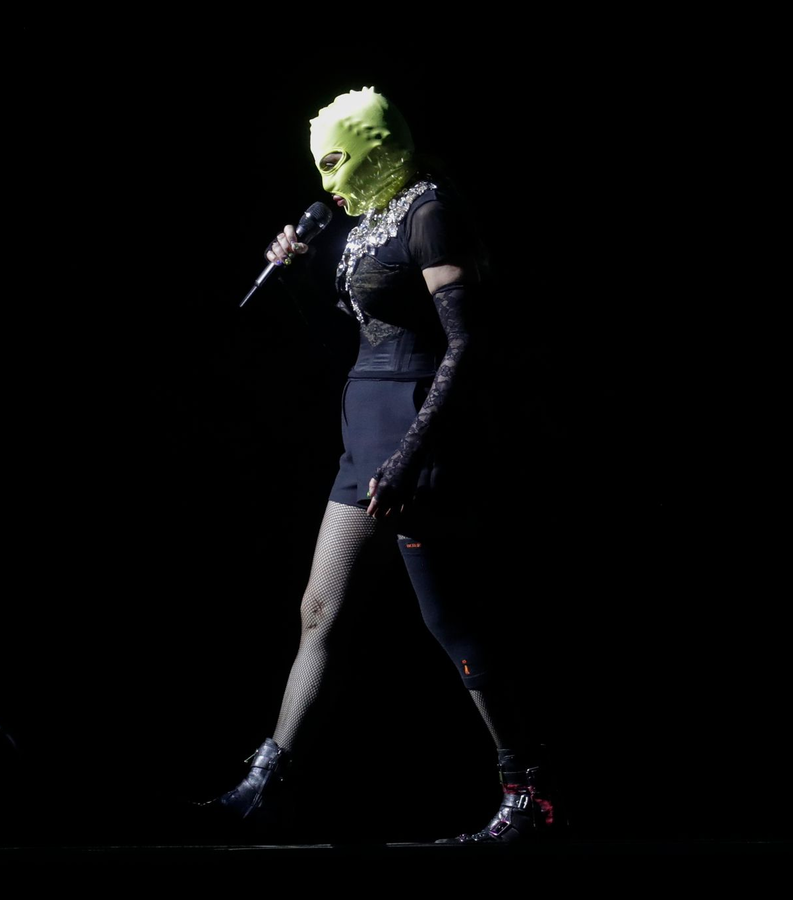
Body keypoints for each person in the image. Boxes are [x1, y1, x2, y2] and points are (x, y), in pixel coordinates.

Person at [202, 87, 557, 844]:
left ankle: (527, 791)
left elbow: (466, 345)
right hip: (363, 435)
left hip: (414, 439)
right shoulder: (365, 220)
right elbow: (358, 331)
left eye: (335, 159)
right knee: (319, 610)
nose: (325, 179)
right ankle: (265, 784)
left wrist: (408, 458)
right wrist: (299, 272)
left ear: (375, 145)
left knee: (451, 621)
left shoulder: (429, 212)